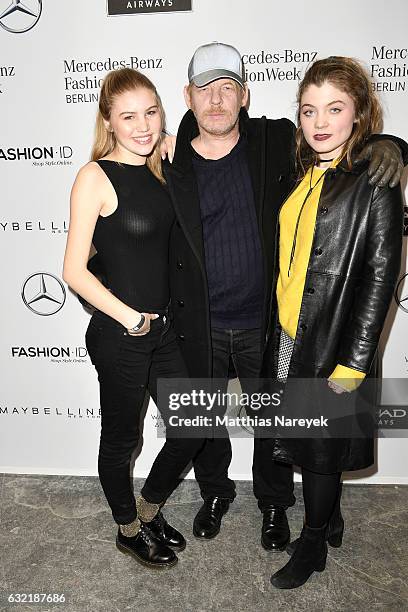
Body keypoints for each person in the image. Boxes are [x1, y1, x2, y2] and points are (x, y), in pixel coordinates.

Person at [162, 42, 407, 549]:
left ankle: (275, 507)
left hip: (265, 323)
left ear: (244, 95)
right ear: (187, 96)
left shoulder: (277, 141)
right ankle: (215, 493)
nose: (215, 99)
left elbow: (341, 134)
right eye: (205, 88)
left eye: (227, 86)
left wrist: (393, 146)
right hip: (201, 320)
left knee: (271, 425)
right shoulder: (168, 160)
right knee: (204, 422)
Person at [260, 56, 404, 589]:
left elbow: (381, 277)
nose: (320, 122)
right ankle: (333, 518)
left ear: (358, 113)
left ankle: (313, 543)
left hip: (336, 342)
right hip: (292, 337)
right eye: (309, 110)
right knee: (313, 441)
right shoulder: (307, 170)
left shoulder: (375, 179)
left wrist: (355, 361)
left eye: (335, 108)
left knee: (319, 451)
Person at [63, 68, 203, 569]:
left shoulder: (162, 164)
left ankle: (147, 509)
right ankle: (127, 528)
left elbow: (222, 136)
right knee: (122, 439)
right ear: (109, 121)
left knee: (193, 423)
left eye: (151, 112)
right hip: (120, 332)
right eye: (128, 116)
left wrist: (169, 139)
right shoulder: (94, 176)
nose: (142, 126)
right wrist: (130, 319)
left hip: (164, 329)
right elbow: (74, 271)